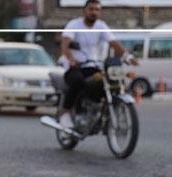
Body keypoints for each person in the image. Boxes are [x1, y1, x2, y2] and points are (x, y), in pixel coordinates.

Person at [58, 0, 138, 130]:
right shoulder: (74, 24)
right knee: (78, 81)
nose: (93, 12)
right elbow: (65, 44)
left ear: (100, 12)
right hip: (75, 67)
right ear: (84, 10)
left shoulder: (101, 26)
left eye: (97, 9)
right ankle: (65, 113)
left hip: (94, 66)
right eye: (91, 9)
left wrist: (127, 56)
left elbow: (113, 43)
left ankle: (98, 109)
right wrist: (71, 59)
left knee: (106, 82)